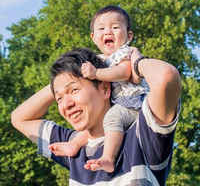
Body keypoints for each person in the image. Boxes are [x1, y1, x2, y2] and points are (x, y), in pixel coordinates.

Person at [11, 47, 181, 185]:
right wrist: (60, 79)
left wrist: (133, 62)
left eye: (74, 90)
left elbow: (166, 77)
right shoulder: (73, 146)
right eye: (59, 98)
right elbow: (19, 118)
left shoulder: (143, 133)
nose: (66, 105)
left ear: (105, 89)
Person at [48, 6, 149, 173]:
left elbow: (124, 72)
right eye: (101, 29)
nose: (108, 32)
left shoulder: (125, 53)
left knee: (111, 118)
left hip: (132, 103)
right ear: (94, 38)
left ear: (129, 35)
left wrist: (96, 73)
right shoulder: (101, 59)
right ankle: (74, 145)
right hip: (117, 102)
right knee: (94, 124)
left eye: (115, 27)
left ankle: (108, 158)